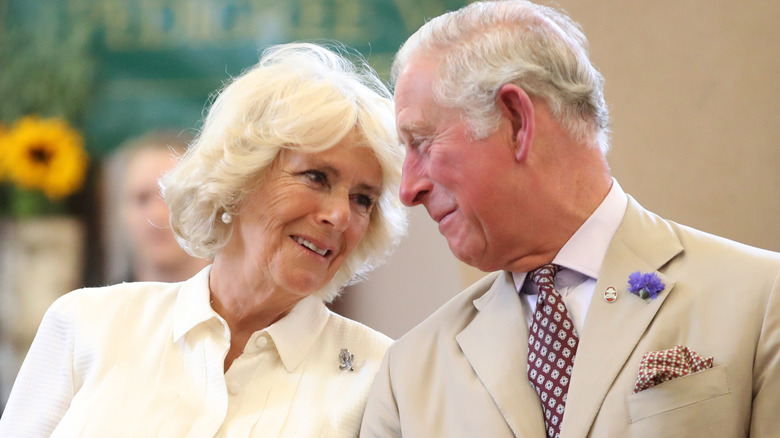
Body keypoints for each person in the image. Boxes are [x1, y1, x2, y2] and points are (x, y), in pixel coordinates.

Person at [360, 1, 780, 437]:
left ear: (517, 121)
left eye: (423, 144)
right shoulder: (406, 376)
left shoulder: (763, 300)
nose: (408, 190)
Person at [0, 42, 407, 437]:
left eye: (363, 199)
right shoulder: (88, 323)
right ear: (241, 178)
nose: (339, 216)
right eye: (316, 177)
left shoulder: (380, 374)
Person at [102, 129, 210, 284]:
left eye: (173, 198)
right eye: (142, 199)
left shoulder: (244, 306)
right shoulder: (100, 306)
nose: (157, 214)